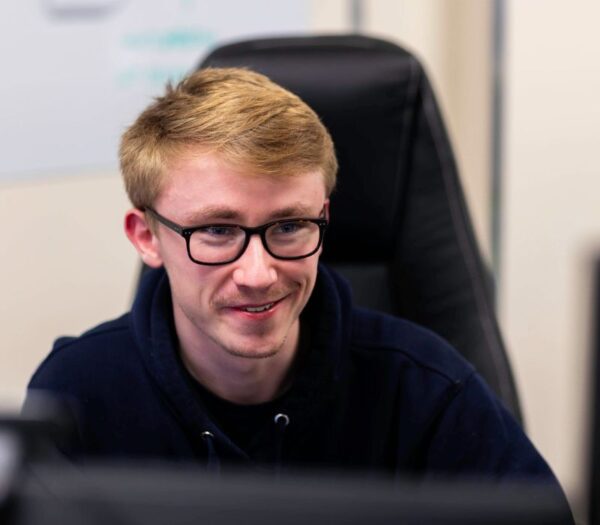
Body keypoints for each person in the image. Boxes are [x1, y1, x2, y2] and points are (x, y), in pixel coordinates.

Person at [26, 68, 557, 482]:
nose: (258, 274)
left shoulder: (428, 389)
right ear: (147, 237)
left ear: (322, 217)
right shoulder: (76, 395)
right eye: (217, 231)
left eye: (289, 226)